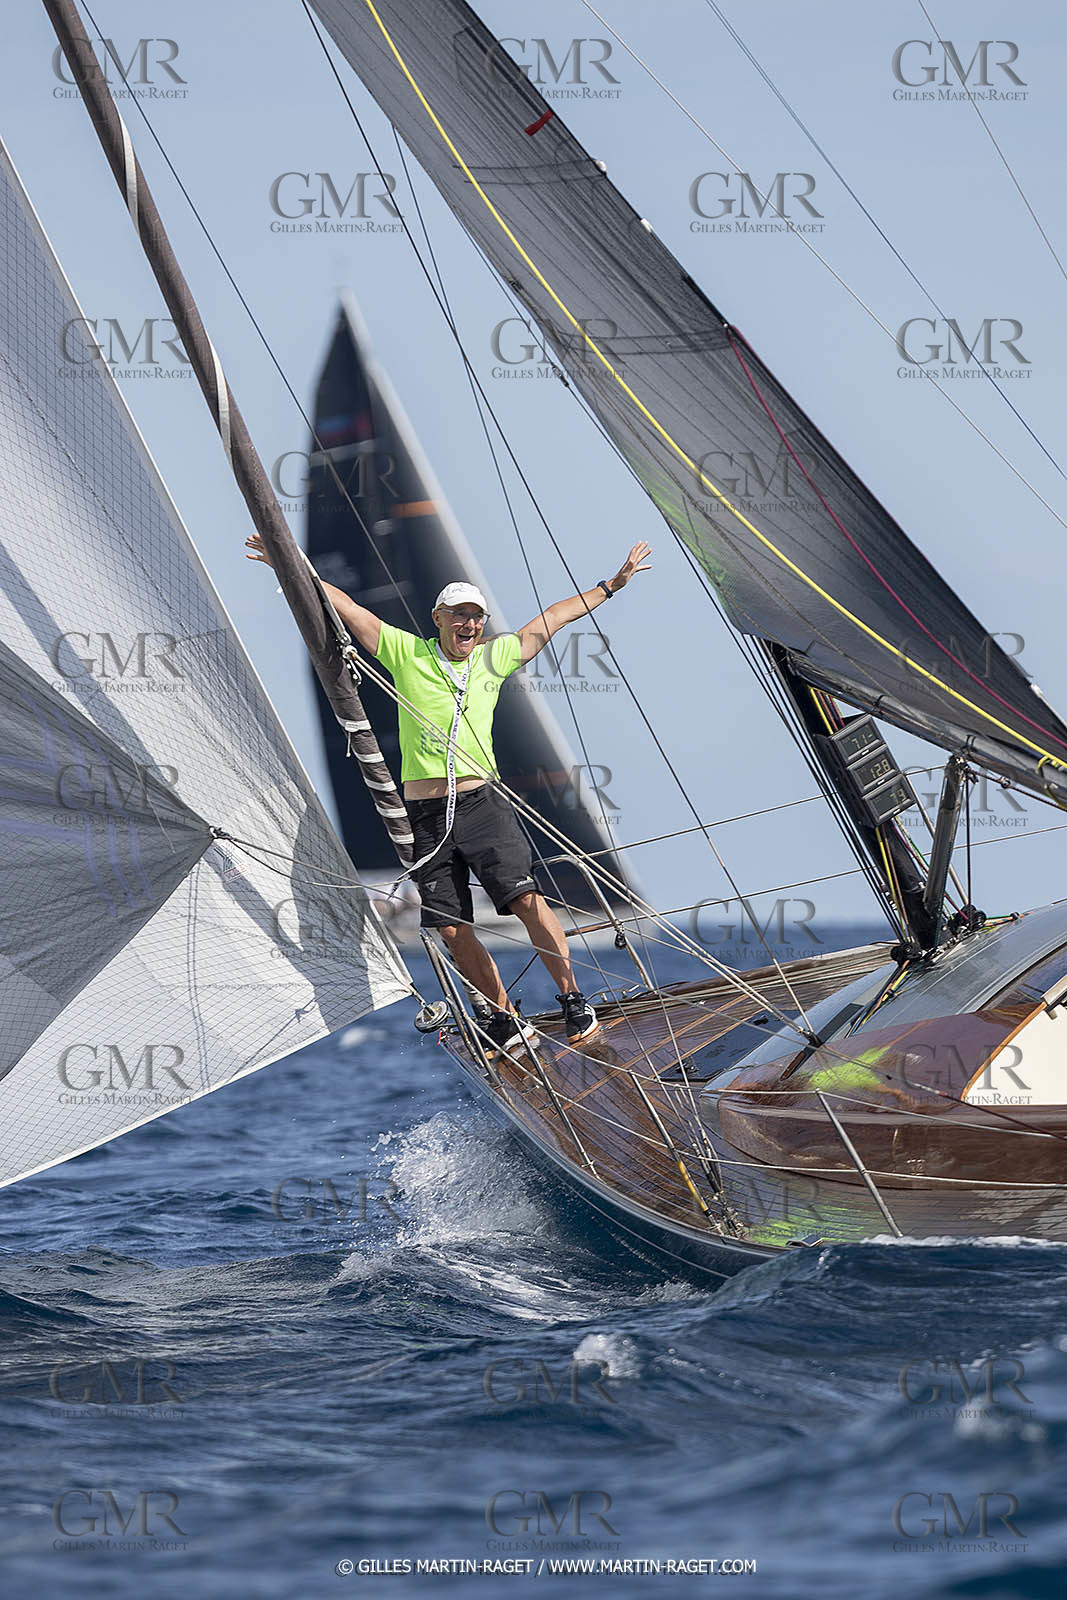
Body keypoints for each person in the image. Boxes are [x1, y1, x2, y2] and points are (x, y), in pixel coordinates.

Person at [246, 533, 651, 1052]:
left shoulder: (492, 658)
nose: (469, 624)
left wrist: (609, 587)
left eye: (476, 617)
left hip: (482, 805)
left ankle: (573, 999)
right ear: (439, 618)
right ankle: (506, 1019)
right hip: (427, 817)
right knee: (453, 929)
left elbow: (551, 620)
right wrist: (287, 568)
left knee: (526, 899)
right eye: (459, 616)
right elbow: (345, 607)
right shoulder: (408, 653)